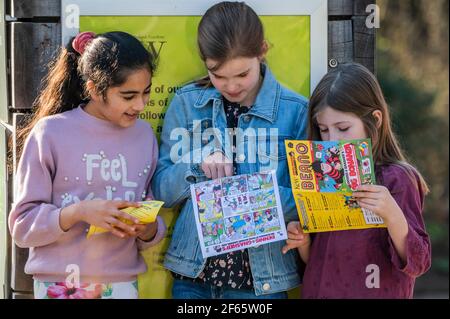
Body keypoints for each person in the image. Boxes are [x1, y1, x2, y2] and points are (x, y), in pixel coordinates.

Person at [152, 1, 308, 299]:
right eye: (217, 75)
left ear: (262, 51)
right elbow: (161, 193)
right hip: (192, 277)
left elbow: (308, 202)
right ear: (205, 62)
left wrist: (250, 195)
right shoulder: (186, 104)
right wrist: (197, 164)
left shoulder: (295, 112)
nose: (231, 86)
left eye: (242, 74)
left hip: (263, 283)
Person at [9, 31, 166, 299]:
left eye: (146, 93)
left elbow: (148, 210)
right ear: (94, 89)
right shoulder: (50, 133)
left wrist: (148, 228)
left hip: (123, 284)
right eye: (128, 96)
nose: (140, 105)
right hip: (60, 284)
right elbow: (22, 227)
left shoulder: (144, 135)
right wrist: (79, 212)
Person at [282, 62, 431, 298]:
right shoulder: (322, 175)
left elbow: (418, 262)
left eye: (343, 128)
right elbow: (321, 264)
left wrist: (392, 215)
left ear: (376, 120)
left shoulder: (397, 178)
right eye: (323, 129)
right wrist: (304, 243)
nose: (332, 141)